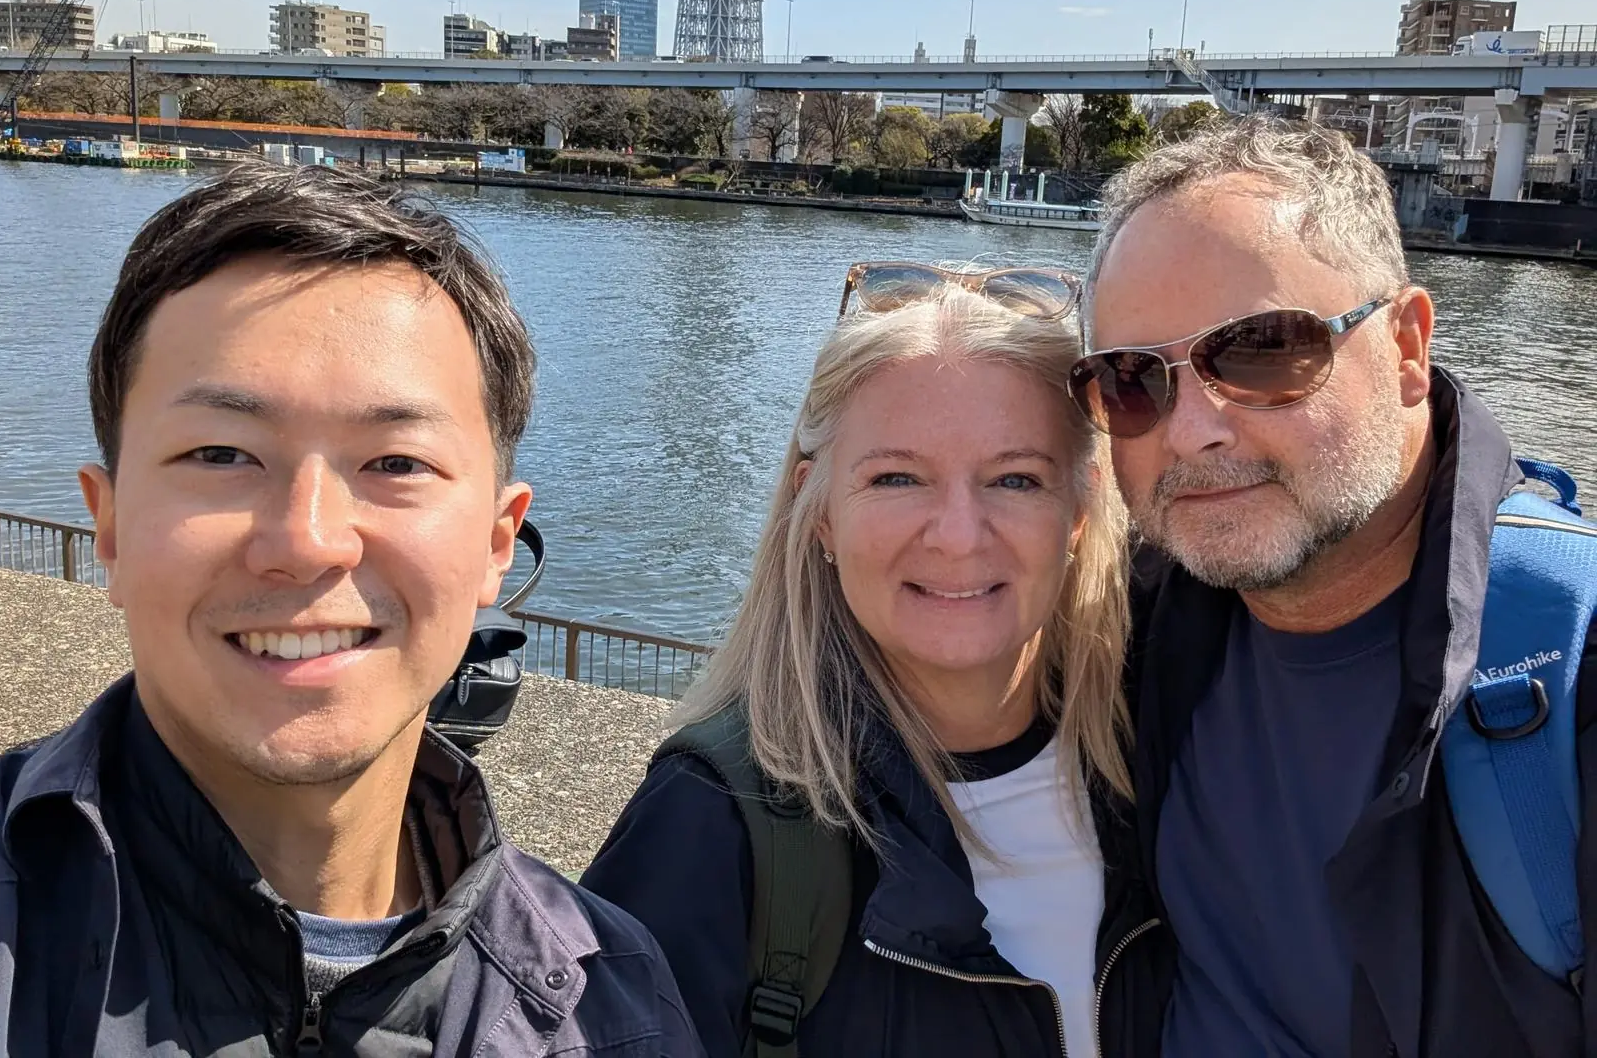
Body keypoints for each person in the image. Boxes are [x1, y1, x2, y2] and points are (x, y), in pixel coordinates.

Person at [0, 163, 702, 1055]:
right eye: (221, 453)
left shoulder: (614, 1005)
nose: (309, 540)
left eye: (396, 463)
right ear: (108, 524)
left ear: (496, 542)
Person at [1069, 115, 1595, 1057]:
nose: (1192, 432)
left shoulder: (1571, 664)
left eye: (1265, 350)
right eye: (1132, 380)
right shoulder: (1127, 625)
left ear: (1405, 348)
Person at [582, 262, 1160, 1057]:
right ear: (818, 512)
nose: (958, 534)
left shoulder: (1168, 764)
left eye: (1016, 479)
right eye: (897, 477)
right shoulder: (711, 826)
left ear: (1080, 510)